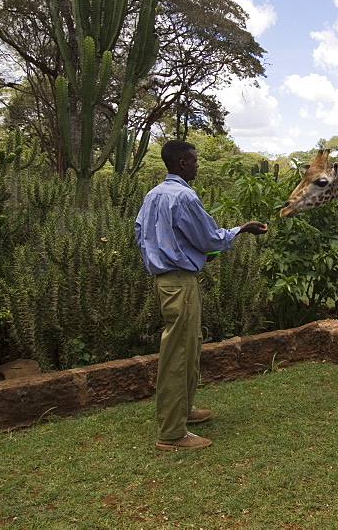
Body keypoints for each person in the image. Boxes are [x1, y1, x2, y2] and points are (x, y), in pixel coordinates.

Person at [135, 140, 268, 450]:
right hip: (179, 281)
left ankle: (183, 411)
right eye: (193, 160)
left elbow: (143, 233)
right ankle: (171, 433)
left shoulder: (153, 195)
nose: (197, 165)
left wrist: (181, 253)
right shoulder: (184, 196)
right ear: (182, 163)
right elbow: (208, 236)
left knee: (189, 345)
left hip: (168, 279)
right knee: (178, 353)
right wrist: (242, 229)